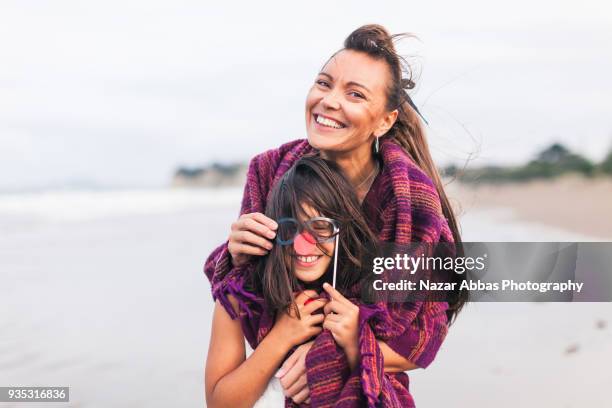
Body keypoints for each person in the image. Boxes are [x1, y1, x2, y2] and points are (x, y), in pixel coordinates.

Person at [204, 24, 467, 407]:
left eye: (355, 94)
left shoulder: (408, 204)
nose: (328, 101)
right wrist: (237, 254)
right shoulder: (273, 178)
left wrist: (335, 353)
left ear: (385, 120)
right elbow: (245, 290)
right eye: (323, 84)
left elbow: (420, 340)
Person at [206, 156, 382, 407]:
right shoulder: (239, 296)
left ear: (343, 228)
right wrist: (281, 336)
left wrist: (355, 346)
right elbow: (217, 403)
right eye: (290, 228)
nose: (303, 244)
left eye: (320, 225)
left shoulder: (369, 300)